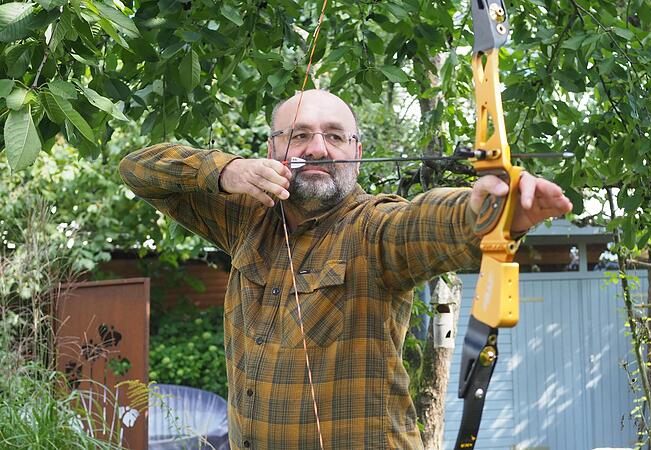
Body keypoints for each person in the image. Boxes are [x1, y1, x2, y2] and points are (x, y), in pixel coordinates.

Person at [119, 89, 572, 449]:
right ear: (273, 148)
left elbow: (425, 224)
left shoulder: (372, 229)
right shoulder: (246, 218)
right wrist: (225, 170)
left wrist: (487, 213)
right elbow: (137, 169)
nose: (318, 148)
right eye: (299, 135)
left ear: (357, 151)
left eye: (335, 137)